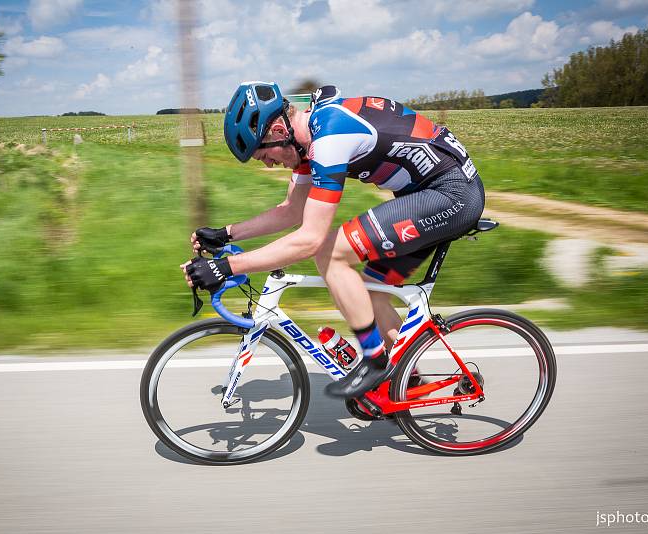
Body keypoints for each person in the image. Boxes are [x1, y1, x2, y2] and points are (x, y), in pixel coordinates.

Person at [181, 82, 485, 399]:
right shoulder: (309, 140)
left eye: (263, 155)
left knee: (330, 253)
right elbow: (291, 211)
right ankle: (407, 386)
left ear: (277, 129)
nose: (268, 164)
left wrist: (227, 267)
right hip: (427, 195)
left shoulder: (330, 136)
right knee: (370, 291)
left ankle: (374, 360)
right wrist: (227, 233)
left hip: (450, 195)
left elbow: (309, 239)